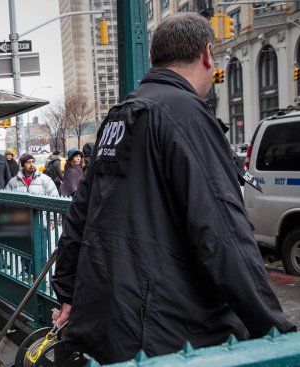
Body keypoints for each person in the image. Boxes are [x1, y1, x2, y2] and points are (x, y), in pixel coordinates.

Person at [51, 12, 295, 365]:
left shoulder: (120, 115)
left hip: (107, 320)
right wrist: (274, 327)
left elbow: (80, 215)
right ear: (208, 55)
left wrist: (68, 291)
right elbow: (222, 233)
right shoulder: (184, 113)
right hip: (166, 333)